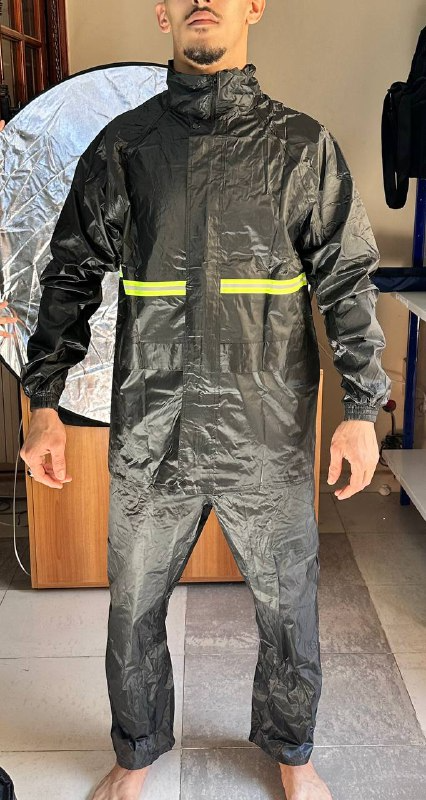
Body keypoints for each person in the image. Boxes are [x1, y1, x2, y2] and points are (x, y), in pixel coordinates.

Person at [18, 1, 392, 798]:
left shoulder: (301, 147)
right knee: (133, 608)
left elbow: (348, 281)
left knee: (289, 607)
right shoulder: (126, 147)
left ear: (254, 5)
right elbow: (71, 273)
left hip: (268, 429)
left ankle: (293, 755)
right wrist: (43, 402)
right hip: (154, 429)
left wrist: (363, 410)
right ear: (162, 15)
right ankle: (135, 752)